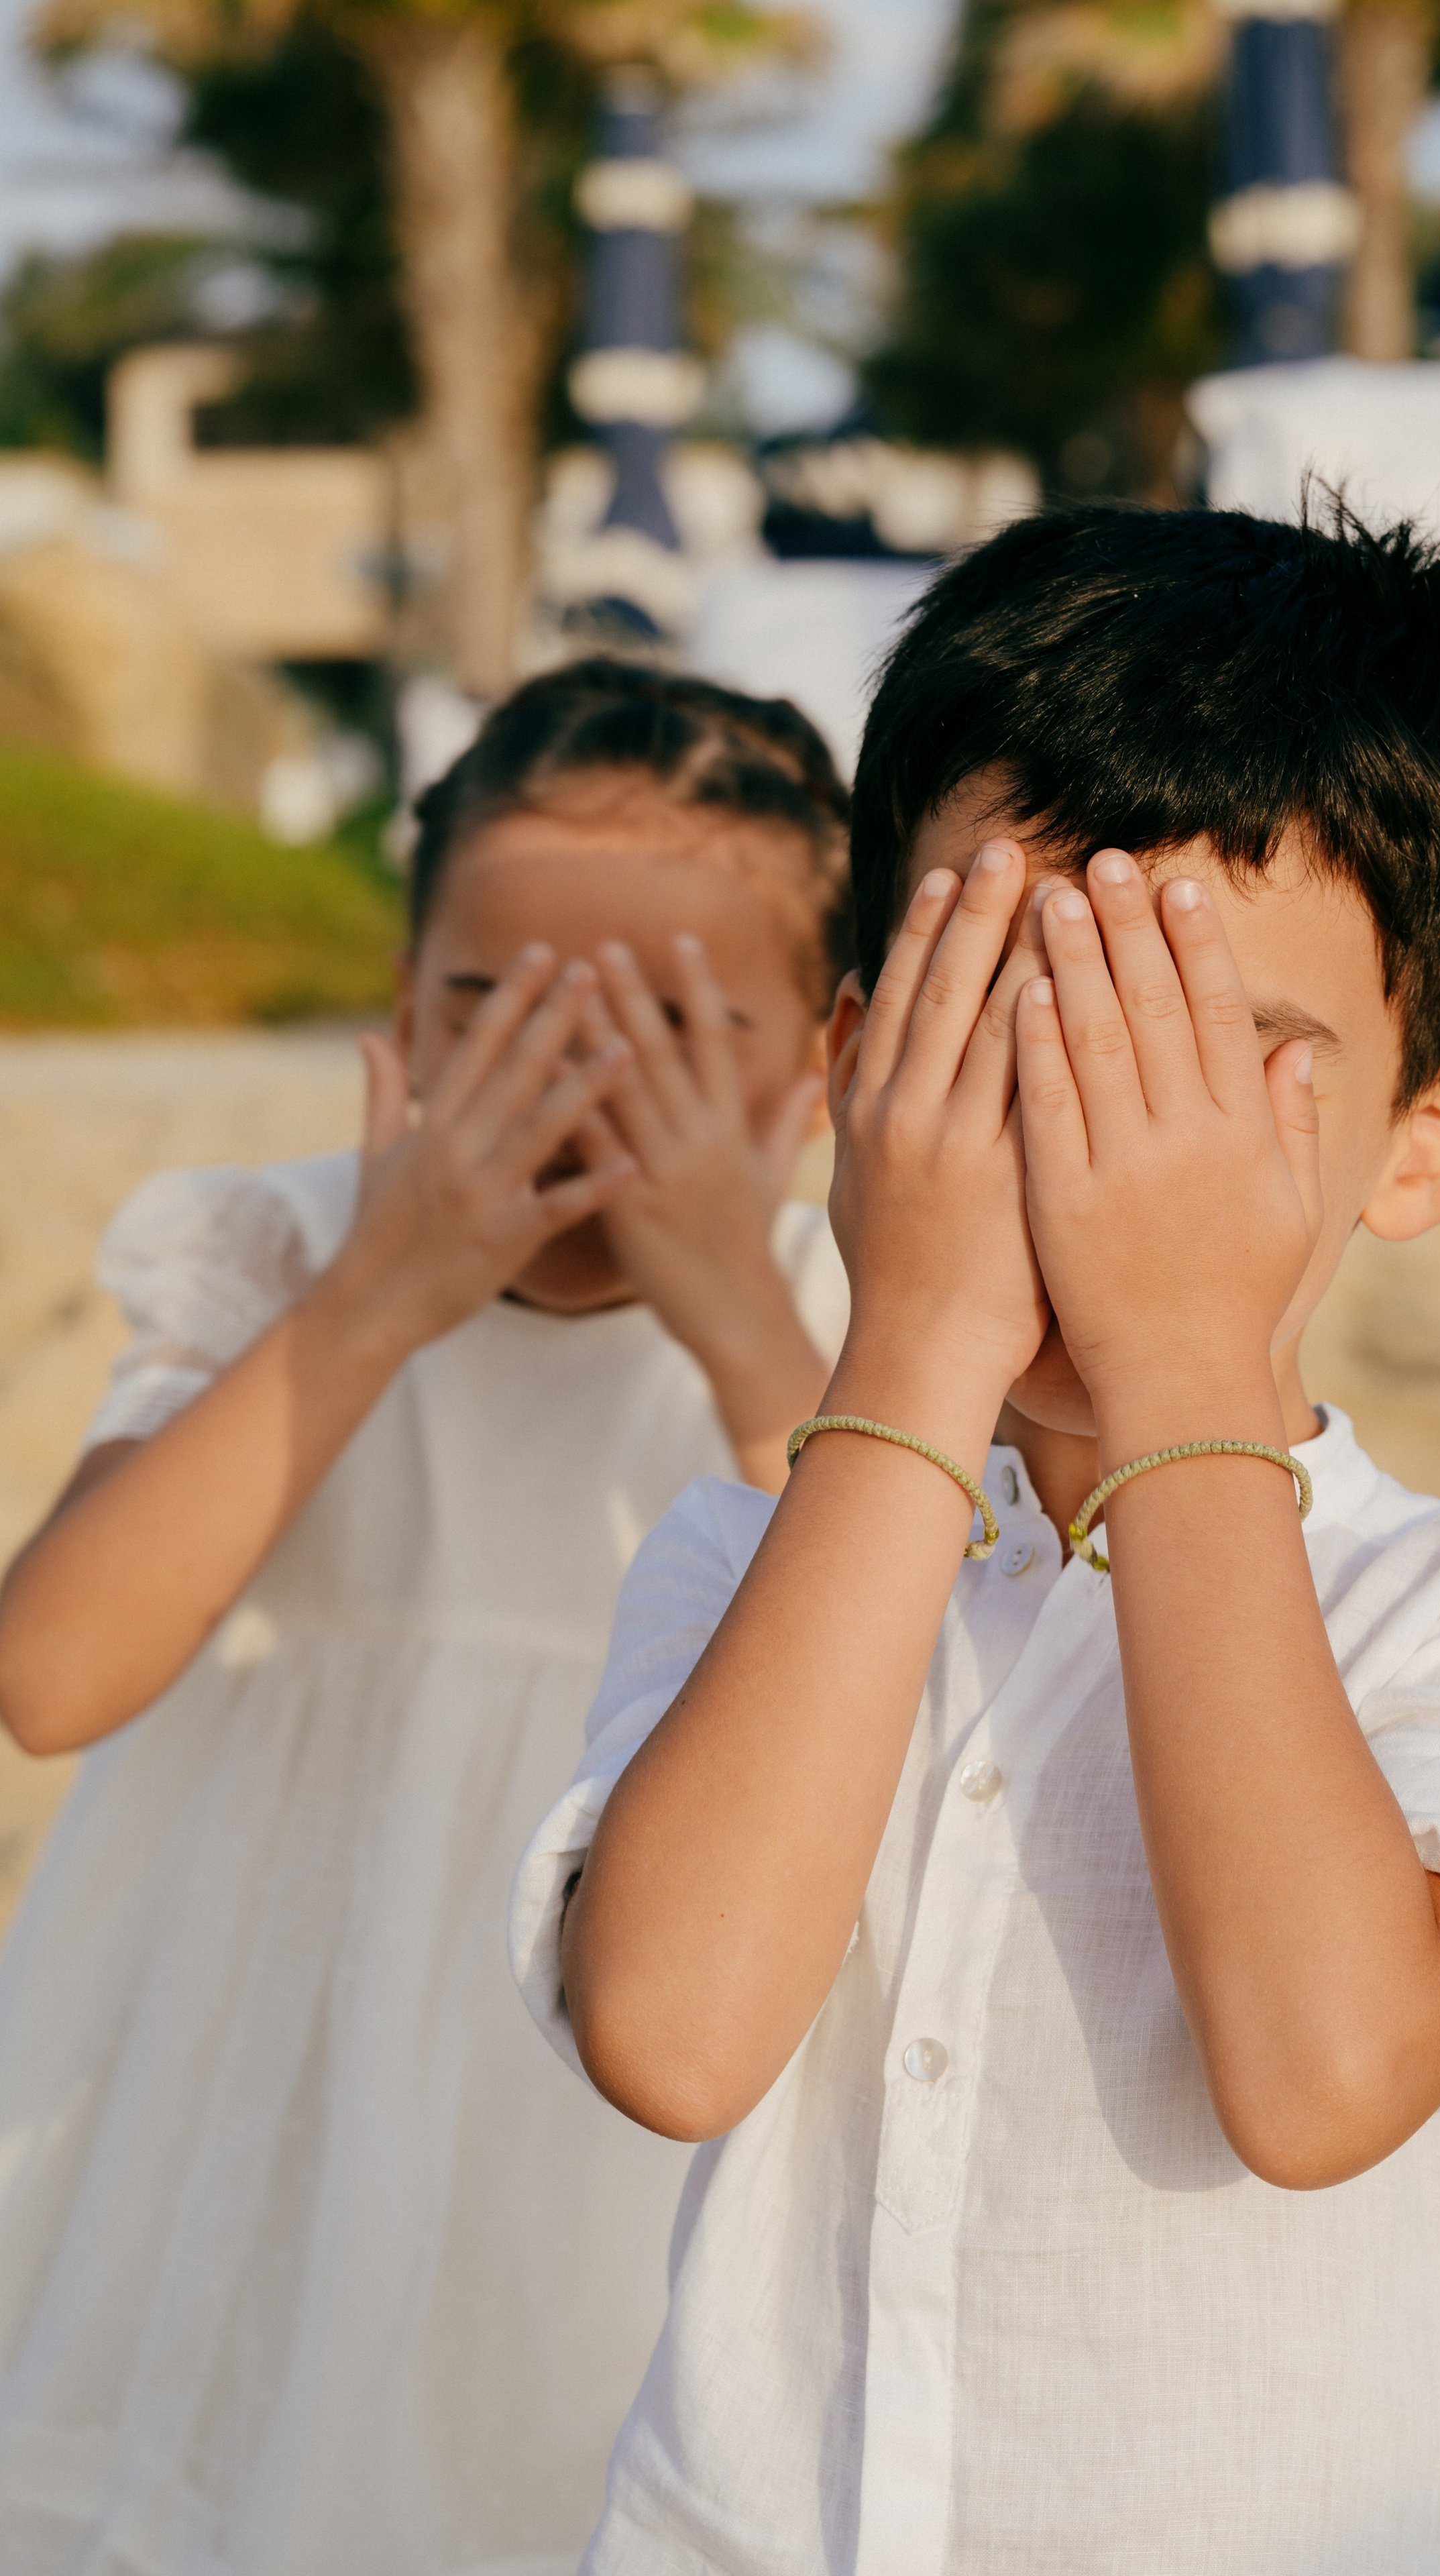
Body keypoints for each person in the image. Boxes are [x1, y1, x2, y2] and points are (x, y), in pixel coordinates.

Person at [512, 508, 1440, 2575]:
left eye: (1209, 1066)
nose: (1092, 1136)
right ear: (863, 1071)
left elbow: (1318, 2078)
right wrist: (927, 1335)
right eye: (1011, 1029)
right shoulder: (747, 1554)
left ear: (1425, 1143)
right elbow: (672, 2041)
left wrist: (1181, 1368)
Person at [0, 660, 851, 2573]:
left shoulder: (842, 1336)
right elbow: (51, 1675)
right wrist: (380, 1299)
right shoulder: (291, 1259)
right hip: (268, 2091)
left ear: (821, 1074)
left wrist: (737, 1321)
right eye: (500, 1009)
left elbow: (915, 1665)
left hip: (627, 2117)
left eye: (669, 1031)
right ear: (398, 1022)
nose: (574, 1083)